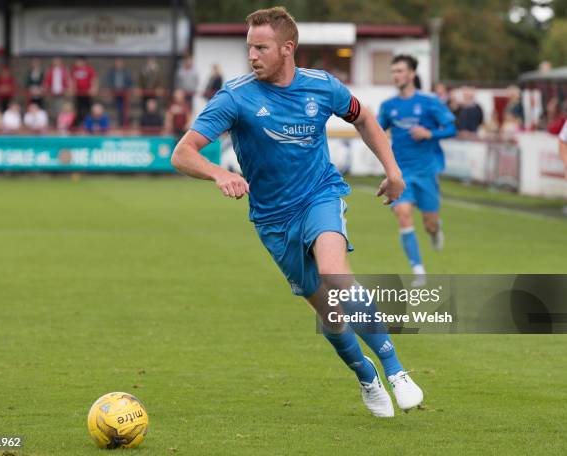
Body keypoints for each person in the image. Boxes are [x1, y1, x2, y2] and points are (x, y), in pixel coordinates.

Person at [171, 6, 423, 418]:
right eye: (249, 47)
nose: (252, 56)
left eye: (261, 48)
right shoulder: (235, 96)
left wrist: (393, 171)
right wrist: (218, 173)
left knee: (336, 276)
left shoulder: (322, 86)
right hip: (272, 220)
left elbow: (365, 119)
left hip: (320, 195)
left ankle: (396, 370)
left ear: (287, 49)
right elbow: (182, 153)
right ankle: (366, 376)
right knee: (328, 312)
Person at [378, 54, 456, 286]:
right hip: (401, 174)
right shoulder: (388, 106)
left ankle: (434, 229)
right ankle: (419, 270)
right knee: (402, 213)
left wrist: (429, 133)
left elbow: (452, 127)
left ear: (412, 74)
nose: (396, 76)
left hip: (426, 172)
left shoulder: (430, 102)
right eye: (393, 72)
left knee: (429, 223)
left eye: (400, 71)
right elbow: (377, 132)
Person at [105, 58, 132, 126]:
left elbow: (129, 82)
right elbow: (109, 81)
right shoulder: (112, 72)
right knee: (118, 108)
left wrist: (128, 89)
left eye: (120, 63)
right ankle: (120, 122)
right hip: (115, 93)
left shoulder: (127, 72)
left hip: (124, 93)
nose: (118, 64)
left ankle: (124, 123)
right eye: (117, 63)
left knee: (124, 109)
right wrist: (110, 90)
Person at [71, 56, 97, 125]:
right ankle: (77, 126)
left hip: (87, 94)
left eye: (78, 61)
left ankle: (88, 125)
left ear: (83, 62)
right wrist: (72, 88)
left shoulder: (89, 69)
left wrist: (93, 88)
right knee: (78, 110)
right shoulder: (74, 70)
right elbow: (72, 80)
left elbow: (93, 79)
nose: (77, 63)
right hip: (78, 94)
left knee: (88, 110)